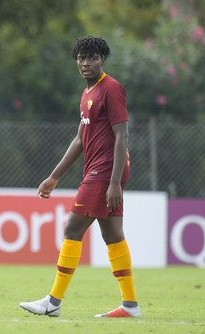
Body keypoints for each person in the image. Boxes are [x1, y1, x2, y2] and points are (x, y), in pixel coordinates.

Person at [19, 35, 141, 319]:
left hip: (104, 172)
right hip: (99, 171)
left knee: (73, 229)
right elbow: (79, 139)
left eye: (92, 57)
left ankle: (53, 302)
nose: (86, 63)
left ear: (103, 60)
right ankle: (130, 306)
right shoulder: (87, 93)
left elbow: (122, 134)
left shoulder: (111, 88)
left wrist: (113, 183)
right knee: (113, 235)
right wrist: (53, 177)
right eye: (81, 58)